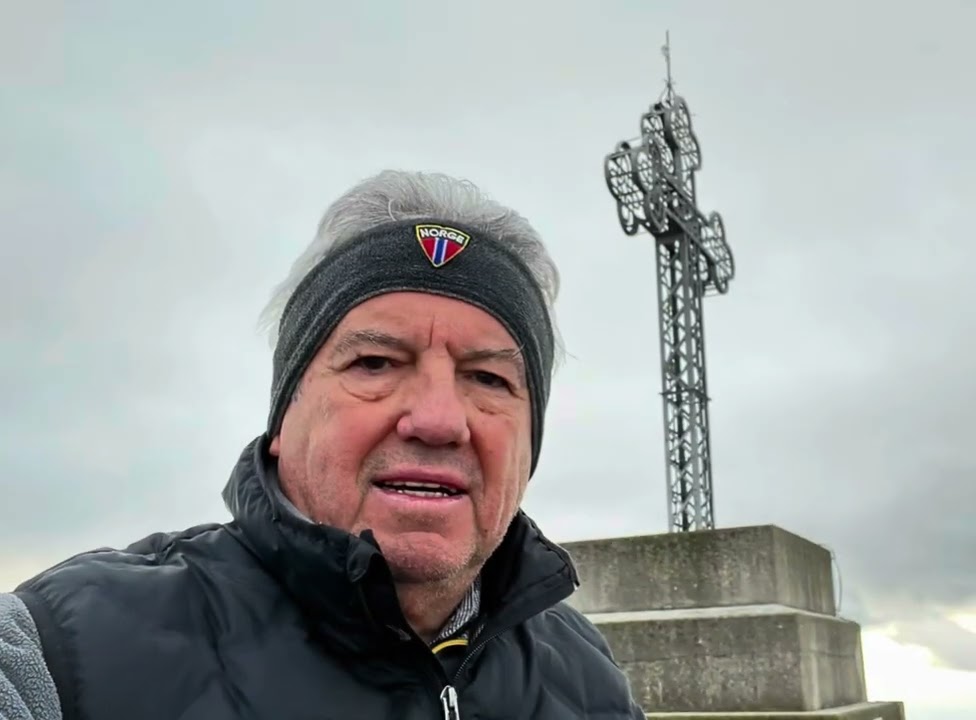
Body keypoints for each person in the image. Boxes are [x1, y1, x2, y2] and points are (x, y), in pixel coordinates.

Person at [0, 170, 646, 719]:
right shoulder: (60, 655)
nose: (439, 420)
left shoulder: (587, 679)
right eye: (375, 363)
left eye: (488, 378)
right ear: (283, 418)